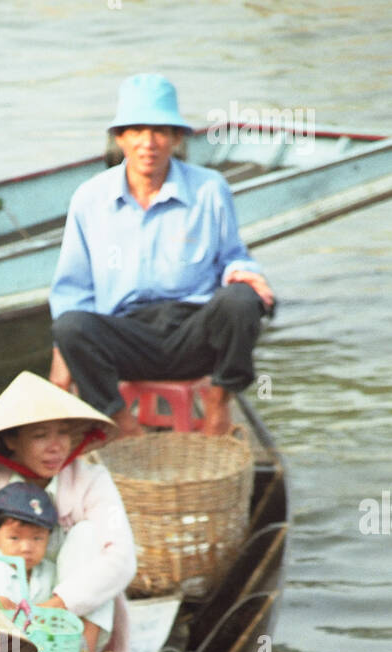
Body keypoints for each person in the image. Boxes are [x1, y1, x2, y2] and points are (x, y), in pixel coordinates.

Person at [49, 73, 276, 436]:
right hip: (125, 336)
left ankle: (219, 404)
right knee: (71, 325)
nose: (148, 143)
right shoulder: (89, 199)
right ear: (120, 138)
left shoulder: (209, 189)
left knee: (241, 300)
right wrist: (62, 360)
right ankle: (122, 423)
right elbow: (71, 293)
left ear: (175, 138)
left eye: (159, 131)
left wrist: (246, 274)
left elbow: (233, 256)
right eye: (136, 131)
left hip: (194, 332)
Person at [0, 371, 136, 652]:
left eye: (63, 434)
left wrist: (53, 608)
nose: (55, 447)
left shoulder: (92, 478)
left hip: (66, 608)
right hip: (0, 600)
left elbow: (122, 557)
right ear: (11, 441)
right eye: (40, 436)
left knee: (87, 535)